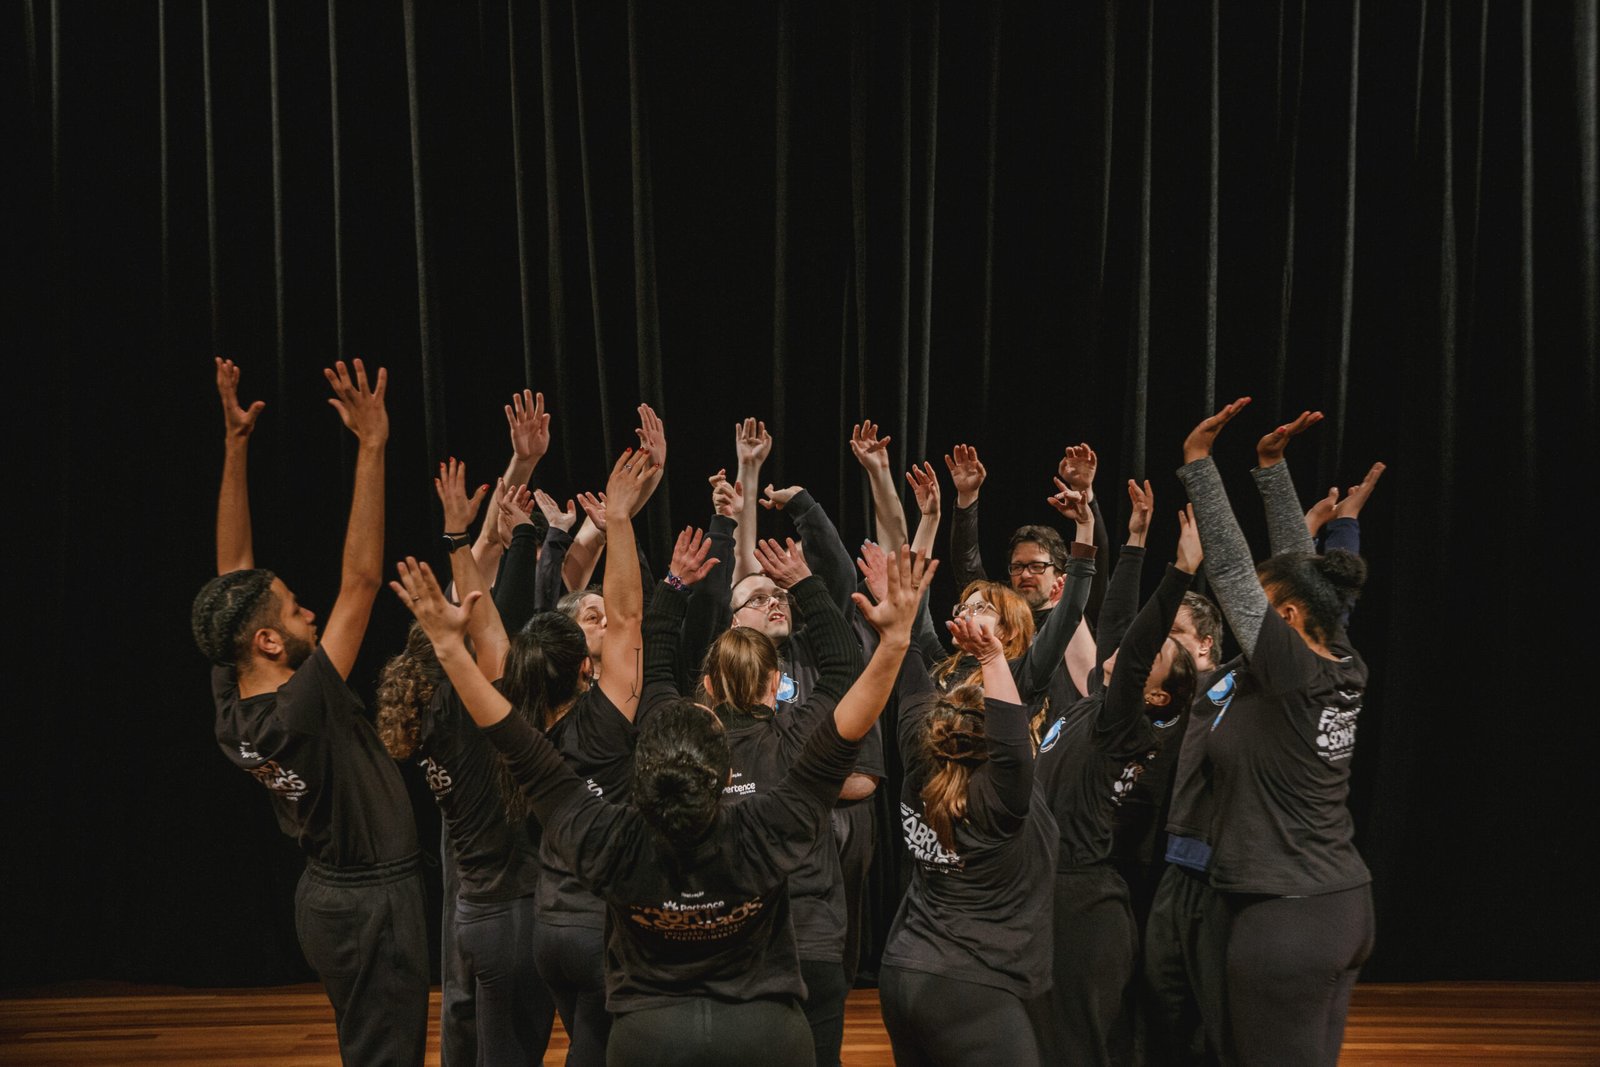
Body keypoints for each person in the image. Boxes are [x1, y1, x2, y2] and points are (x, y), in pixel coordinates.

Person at [392, 528, 937, 1067]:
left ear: (642, 772)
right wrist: (894, 641)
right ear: (720, 771)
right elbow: (845, 703)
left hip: (649, 1037)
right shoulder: (767, 827)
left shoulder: (612, 840)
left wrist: (448, 649)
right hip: (765, 1031)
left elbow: (518, 743)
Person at [190, 358, 428, 1066]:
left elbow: (235, 573)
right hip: (369, 902)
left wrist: (236, 447)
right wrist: (373, 445)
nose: (309, 613)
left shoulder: (235, 695)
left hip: (326, 897)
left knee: (371, 1046)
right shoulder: (302, 704)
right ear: (266, 639)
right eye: (294, 609)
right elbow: (360, 579)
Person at [1175, 400, 1374, 1066]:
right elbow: (1304, 570)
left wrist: (1199, 463)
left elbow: (1232, 570)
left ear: (1284, 616)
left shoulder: (1287, 669)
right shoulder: (1336, 650)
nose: (1243, 617)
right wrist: (1271, 468)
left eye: (1261, 608)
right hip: (1339, 905)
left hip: (1288, 916)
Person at [647, 531, 860, 1067]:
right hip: (810, 941)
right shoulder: (799, 740)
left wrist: (674, 586)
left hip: (723, 939)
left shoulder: (686, 740)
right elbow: (840, 668)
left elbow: (653, 667)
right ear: (777, 682)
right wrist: (804, 583)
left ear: (709, 687)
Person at [375, 458, 555, 1065]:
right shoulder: (474, 719)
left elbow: (477, 629)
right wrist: (459, 539)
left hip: (474, 914)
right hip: (513, 916)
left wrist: (468, 537)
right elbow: (490, 633)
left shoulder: (427, 716)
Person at [1028, 486, 1203, 1066]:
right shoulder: (1091, 704)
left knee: (1080, 1047)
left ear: (1154, 693)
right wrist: (1131, 541)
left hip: (1083, 900)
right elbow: (1120, 627)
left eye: (1149, 655)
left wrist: (1179, 570)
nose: (1129, 648)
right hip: (1051, 887)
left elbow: (1132, 647)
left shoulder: (1120, 725)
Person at [875, 599, 1061, 1067]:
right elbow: (1014, 743)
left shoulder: (920, 767)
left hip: (901, 972)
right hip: (971, 985)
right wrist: (993, 658)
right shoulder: (1002, 798)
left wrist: (903, 619)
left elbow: (914, 678)